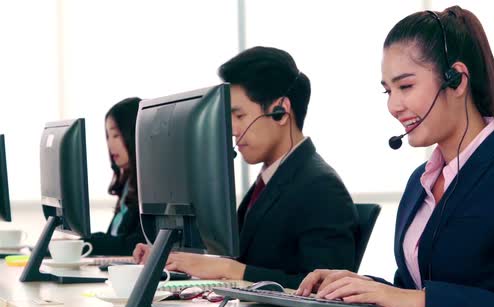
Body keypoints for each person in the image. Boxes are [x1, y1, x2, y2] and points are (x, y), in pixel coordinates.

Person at [296, 6, 494, 307]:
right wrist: (356, 286)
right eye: (388, 90)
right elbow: (411, 289)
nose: (393, 105)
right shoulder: (421, 182)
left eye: (406, 86)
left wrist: (419, 299)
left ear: (456, 81)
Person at [134, 46, 358, 289]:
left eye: (239, 116)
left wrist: (231, 269)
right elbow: (250, 260)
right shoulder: (272, 179)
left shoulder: (320, 186)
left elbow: (326, 287)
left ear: (280, 111)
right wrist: (181, 259)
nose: (230, 129)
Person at [85, 97, 147, 256]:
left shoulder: (150, 185)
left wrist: (88, 242)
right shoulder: (127, 182)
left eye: (116, 135)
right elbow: (115, 238)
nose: (110, 144)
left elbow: (135, 245)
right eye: (107, 136)